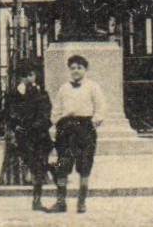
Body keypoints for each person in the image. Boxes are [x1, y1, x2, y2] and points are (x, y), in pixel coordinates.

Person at [50, 53, 106, 213]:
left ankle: (81, 202)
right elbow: (57, 108)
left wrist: (94, 122)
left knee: (84, 164)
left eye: (79, 68)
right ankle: (61, 202)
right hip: (66, 128)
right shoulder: (64, 88)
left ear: (85, 69)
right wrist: (57, 122)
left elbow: (100, 107)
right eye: (72, 68)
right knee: (63, 164)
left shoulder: (92, 86)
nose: (75, 71)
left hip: (84, 128)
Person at [6, 62, 54, 211]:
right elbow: (9, 113)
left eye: (32, 74)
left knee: (37, 167)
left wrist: (40, 125)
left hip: (39, 135)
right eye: (27, 75)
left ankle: (36, 200)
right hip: (24, 137)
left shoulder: (41, 92)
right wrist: (15, 127)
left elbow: (46, 112)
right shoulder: (14, 94)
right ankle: (38, 195)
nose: (30, 78)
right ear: (22, 77)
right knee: (34, 166)